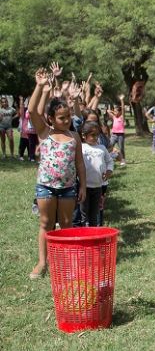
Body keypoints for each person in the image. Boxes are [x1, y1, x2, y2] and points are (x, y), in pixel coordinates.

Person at [27, 67, 87, 279]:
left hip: (68, 189)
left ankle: (65, 262)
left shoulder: (74, 137)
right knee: (46, 223)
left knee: (67, 225)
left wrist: (82, 186)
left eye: (68, 117)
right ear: (51, 118)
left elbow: (79, 163)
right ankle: (42, 263)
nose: (66, 121)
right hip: (45, 186)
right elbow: (33, 111)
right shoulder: (45, 132)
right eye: (61, 118)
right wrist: (40, 86)